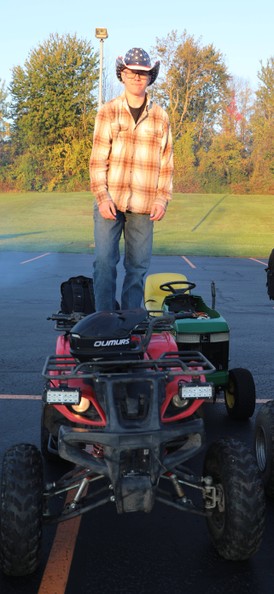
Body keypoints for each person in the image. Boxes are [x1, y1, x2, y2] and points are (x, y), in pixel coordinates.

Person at [89, 47, 173, 311]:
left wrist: (162, 200)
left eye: (143, 73)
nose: (137, 77)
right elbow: (97, 160)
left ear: (150, 77)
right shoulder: (108, 112)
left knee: (137, 268)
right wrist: (102, 198)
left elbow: (166, 163)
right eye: (132, 72)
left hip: (144, 205)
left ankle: (131, 323)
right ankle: (104, 320)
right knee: (104, 263)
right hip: (110, 202)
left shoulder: (160, 116)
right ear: (122, 75)